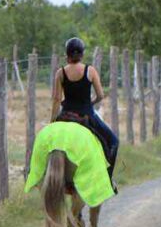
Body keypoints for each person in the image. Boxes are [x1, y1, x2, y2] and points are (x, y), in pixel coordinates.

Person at [51, 37, 119, 190]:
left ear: (67, 55)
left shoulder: (60, 73)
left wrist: (52, 122)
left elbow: (56, 99)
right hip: (86, 114)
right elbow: (101, 95)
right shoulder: (90, 71)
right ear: (81, 55)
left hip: (65, 115)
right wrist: (91, 103)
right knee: (114, 142)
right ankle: (108, 179)